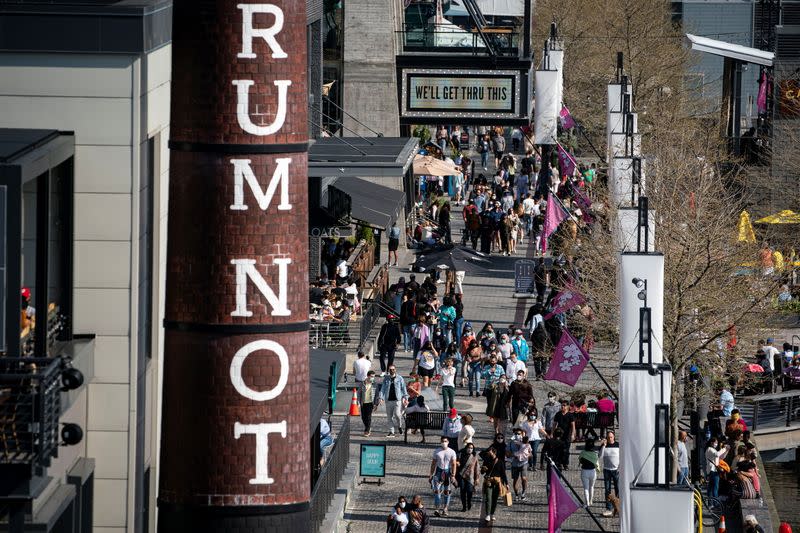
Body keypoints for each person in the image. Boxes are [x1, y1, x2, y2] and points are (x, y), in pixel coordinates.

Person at [377, 365, 409, 438]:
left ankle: (400, 426)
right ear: (388, 370)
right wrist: (381, 398)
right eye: (390, 370)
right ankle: (391, 431)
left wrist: (406, 397)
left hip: (397, 400)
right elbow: (383, 389)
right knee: (389, 417)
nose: (392, 371)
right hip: (388, 400)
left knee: (398, 415)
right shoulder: (386, 378)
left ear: (395, 370)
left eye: (393, 369)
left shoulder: (400, 378)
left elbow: (403, 388)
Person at [429, 436, 457, 517]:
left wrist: (453, 475)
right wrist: (431, 474)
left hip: (447, 472)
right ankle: (437, 508)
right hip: (438, 472)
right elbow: (433, 463)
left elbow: (454, 464)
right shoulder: (437, 451)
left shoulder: (452, 452)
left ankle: (445, 508)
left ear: (448, 442)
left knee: (447, 491)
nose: (444, 443)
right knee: (437, 491)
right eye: (442, 441)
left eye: (445, 441)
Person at [480, 445, 508, 524]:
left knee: (494, 499)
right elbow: (482, 472)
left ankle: (492, 513)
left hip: (497, 482)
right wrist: (483, 469)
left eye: (489, 452)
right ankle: (488, 515)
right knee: (488, 498)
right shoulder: (486, 460)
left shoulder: (500, 461)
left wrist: (507, 483)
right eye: (488, 452)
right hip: (488, 482)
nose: (488, 453)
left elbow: (503, 474)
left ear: (494, 452)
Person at [599, 431, 620, 516]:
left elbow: (622, 456)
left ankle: (618, 507)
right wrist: (603, 445)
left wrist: (620, 468)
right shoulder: (604, 446)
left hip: (616, 470)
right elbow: (600, 456)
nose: (610, 439)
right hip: (607, 470)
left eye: (611, 437)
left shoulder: (618, 445)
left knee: (618, 489)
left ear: (614, 437)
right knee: (607, 490)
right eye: (608, 437)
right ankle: (609, 508)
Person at [509, 427, 532, 501]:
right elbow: (507, 453)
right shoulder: (511, 443)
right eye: (516, 434)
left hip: (524, 463)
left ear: (522, 434)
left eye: (519, 434)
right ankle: (516, 494)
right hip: (514, 464)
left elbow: (530, 453)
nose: (517, 435)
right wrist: (514, 455)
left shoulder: (526, 443)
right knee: (515, 479)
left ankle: (523, 493)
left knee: (524, 478)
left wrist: (527, 455)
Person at [457, 442, 480, 512]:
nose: (470, 449)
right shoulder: (461, 455)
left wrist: (477, 478)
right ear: (466, 448)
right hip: (461, 476)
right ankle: (464, 506)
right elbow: (457, 465)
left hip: (470, 477)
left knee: (469, 491)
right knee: (462, 491)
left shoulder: (474, 458)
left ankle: (469, 502)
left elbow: (477, 468)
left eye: (471, 448)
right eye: (469, 448)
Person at [553, 401, 576, 469]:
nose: (563, 407)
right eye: (562, 405)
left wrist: (572, 435)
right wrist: (552, 433)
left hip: (567, 435)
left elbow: (573, 426)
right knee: (559, 449)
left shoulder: (570, 415)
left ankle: (565, 463)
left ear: (567, 406)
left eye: (564, 405)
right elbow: (554, 424)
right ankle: (559, 463)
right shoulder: (558, 414)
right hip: (559, 435)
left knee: (566, 450)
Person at [579, 438, 600, 506]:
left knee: (586, 488)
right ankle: (591, 501)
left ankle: (587, 502)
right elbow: (596, 462)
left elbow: (581, 461)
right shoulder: (595, 454)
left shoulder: (583, 453)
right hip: (593, 471)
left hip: (584, 471)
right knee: (592, 487)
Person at [358, 371, 378, 437]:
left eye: (374, 376)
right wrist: (358, 402)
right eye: (372, 376)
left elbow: (376, 395)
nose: (373, 378)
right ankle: (368, 427)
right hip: (363, 403)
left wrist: (376, 404)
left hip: (370, 403)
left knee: (368, 417)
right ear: (368, 376)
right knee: (363, 417)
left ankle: (367, 430)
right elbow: (359, 393)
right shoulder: (362, 383)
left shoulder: (375, 384)